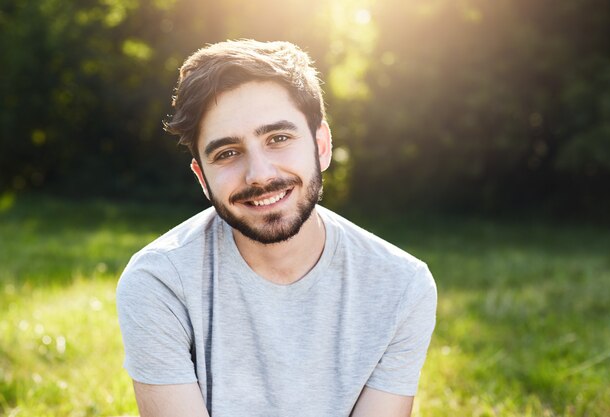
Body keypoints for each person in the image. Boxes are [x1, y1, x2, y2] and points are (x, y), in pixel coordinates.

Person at [116, 39, 437, 417]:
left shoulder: (401, 285)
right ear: (202, 179)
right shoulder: (159, 282)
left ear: (321, 145)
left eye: (278, 139)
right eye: (227, 153)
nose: (260, 174)